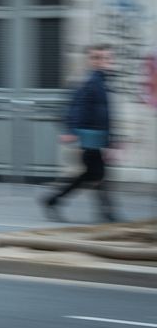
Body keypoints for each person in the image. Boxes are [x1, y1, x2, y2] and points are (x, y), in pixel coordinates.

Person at [44, 45, 118, 222]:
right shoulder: (91, 82)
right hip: (90, 138)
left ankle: (54, 201)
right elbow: (78, 107)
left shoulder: (102, 81)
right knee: (96, 174)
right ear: (92, 61)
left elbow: (104, 115)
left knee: (93, 175)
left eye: (107, 58)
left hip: (97, 138)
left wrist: (111, 140)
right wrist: (71, 130)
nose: (105, 62)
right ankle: (106, 212)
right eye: (100, 58)